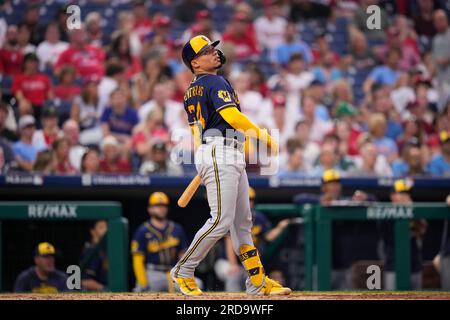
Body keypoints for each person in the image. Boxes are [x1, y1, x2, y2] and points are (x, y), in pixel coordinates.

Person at [170, 35, 291, 296]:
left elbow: (196, 131)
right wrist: (264, 136)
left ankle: (257, 283)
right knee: (221, 221)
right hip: (220, 153)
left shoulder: (192, 90)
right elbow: (231, 116)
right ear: (195, 63)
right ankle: (183, 270)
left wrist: (203, 155)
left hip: (219, 151)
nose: (214, 52)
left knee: (241, 224)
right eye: (206, 51)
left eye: (213, 48)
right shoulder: (214, 81)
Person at [215, 187, 291, 292]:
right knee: (234, 275)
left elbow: (268, 236)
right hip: (226, 261)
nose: (248, 202)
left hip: (247, 261)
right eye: (245, 199)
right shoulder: (232, 217)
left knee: (257, 279)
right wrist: (233, 264)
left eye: (250, 199)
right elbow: (229, 242)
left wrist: (280, 227)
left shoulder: (258, 218)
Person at [131, 192, 189, 292]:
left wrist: (184, 274)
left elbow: (183, 254)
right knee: (141, 290)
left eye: (164, 206)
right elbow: (137, 259)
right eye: (157, 206)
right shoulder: (143, 230)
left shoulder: (176, 229)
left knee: (197, 284)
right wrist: (143, 282)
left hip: (172, 272)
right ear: (150, 209)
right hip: (152, 272)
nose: (161, 208)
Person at [380, 179, 427, 290]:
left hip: (414, 266)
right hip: (394, 267)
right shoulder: (385, 214)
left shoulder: (415, 212)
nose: (405, 197)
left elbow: (422, 230)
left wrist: (412, 211)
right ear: (392, 196)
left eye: (407, 193)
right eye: (401, 193)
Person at [80, 220, 108, 291]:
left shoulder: (107, 249)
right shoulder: (90, 250)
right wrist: (104, 289)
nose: (106, 230)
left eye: (107, 227)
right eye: (101, 227)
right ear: (92, 231)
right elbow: (85, 281)